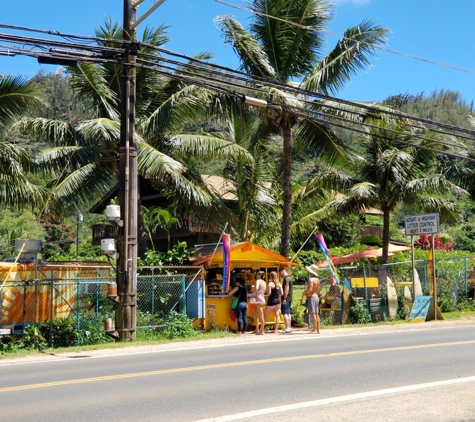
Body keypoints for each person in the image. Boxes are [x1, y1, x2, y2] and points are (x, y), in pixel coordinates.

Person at [301, 264, 321, 334]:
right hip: (316, 297)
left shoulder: (311, 280)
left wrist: (304, 293)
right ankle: (317, 329)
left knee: (313, 314)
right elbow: (318, 290)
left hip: (312, 297)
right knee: (316, 313)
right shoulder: (317, 280)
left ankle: (314, 329)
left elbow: (310, 289)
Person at [251, 270, 267, 335]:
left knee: (261, 315)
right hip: (262, 298)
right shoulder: (264, 282)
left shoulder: (258, 281)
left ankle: (262, 330)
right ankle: (257, 329)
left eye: (257, 274)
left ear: (259, 275)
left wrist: (252, 289)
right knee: (255, 314)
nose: (256, 275)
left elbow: (256, 288)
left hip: (258, 299)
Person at [279, 267, 293, 333]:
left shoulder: (286, 279)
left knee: (285, 313)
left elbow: (286, 288)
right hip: (289, 298)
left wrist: (284, 298)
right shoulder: (289, 278)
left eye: (280, 273)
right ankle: (289, 327)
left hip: (286, 298)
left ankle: (287, 327)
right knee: (288, 313)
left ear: (282, 272)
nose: (280, 275)